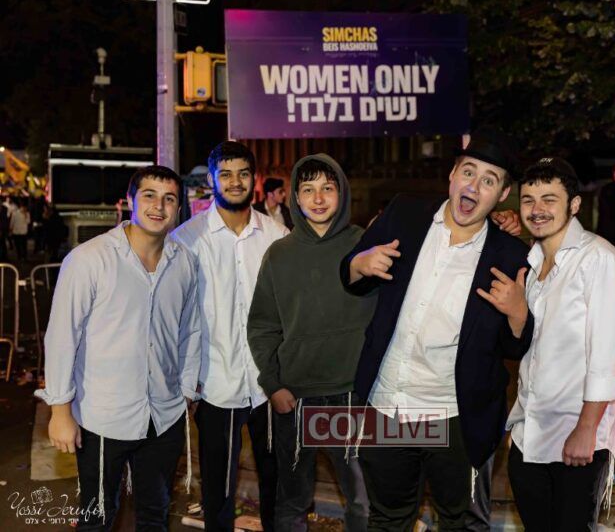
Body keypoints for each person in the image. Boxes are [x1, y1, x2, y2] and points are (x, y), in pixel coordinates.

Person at [341, 134, 534, 530]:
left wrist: (518, 312)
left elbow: (513, 347)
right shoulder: (405, 214)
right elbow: (352, 275)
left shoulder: (510, 255)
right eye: (468, 172)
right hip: (389, 404)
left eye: (489, 180)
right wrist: (361, 262)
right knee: (387, 518)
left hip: (454, 417)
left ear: (502, 195)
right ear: (452, 174)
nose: (473, 186)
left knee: (459, 521)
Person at [34, 165, 202, 530]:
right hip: (102, 417)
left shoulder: (185, 262)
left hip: (164, 416)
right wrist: (60, 411)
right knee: (97, 518)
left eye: (169, 199)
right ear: (129, 200)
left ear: (179, 207)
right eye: (149, 196)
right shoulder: (90, 259)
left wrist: (187, 389)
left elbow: (190, 331)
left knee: (155, 515)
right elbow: (62, 336)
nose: (159, 206)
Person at [505, 157, 615, 531]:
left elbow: (609, 355)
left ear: (574, 205)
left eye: (549, 199)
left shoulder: (600, 260)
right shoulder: (531, 264)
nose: (537, 209)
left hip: (576, 439)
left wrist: (586, 430)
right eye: (528, 200)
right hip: (529, 433)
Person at [248, 154, 372, 531]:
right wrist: (273, 384)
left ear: (342, 192)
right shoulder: (279, 254)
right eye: (308, 189)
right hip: (296, 397)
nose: (318, 198)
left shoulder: (364, 245)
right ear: (296, 198)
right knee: (292, 501)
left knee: (362, 500)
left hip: (351, 395)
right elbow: (263, 325)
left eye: (327, 188)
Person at [172, 142, 288, 532]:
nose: (235, 182)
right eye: (225, 174)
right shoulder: (187, 240)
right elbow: (177, 314)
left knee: (276, 480)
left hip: (269, 383)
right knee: (218, 489)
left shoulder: (277, 235)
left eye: (242, 173)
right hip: (214, 382)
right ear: (211, 180)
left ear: (254, 179)